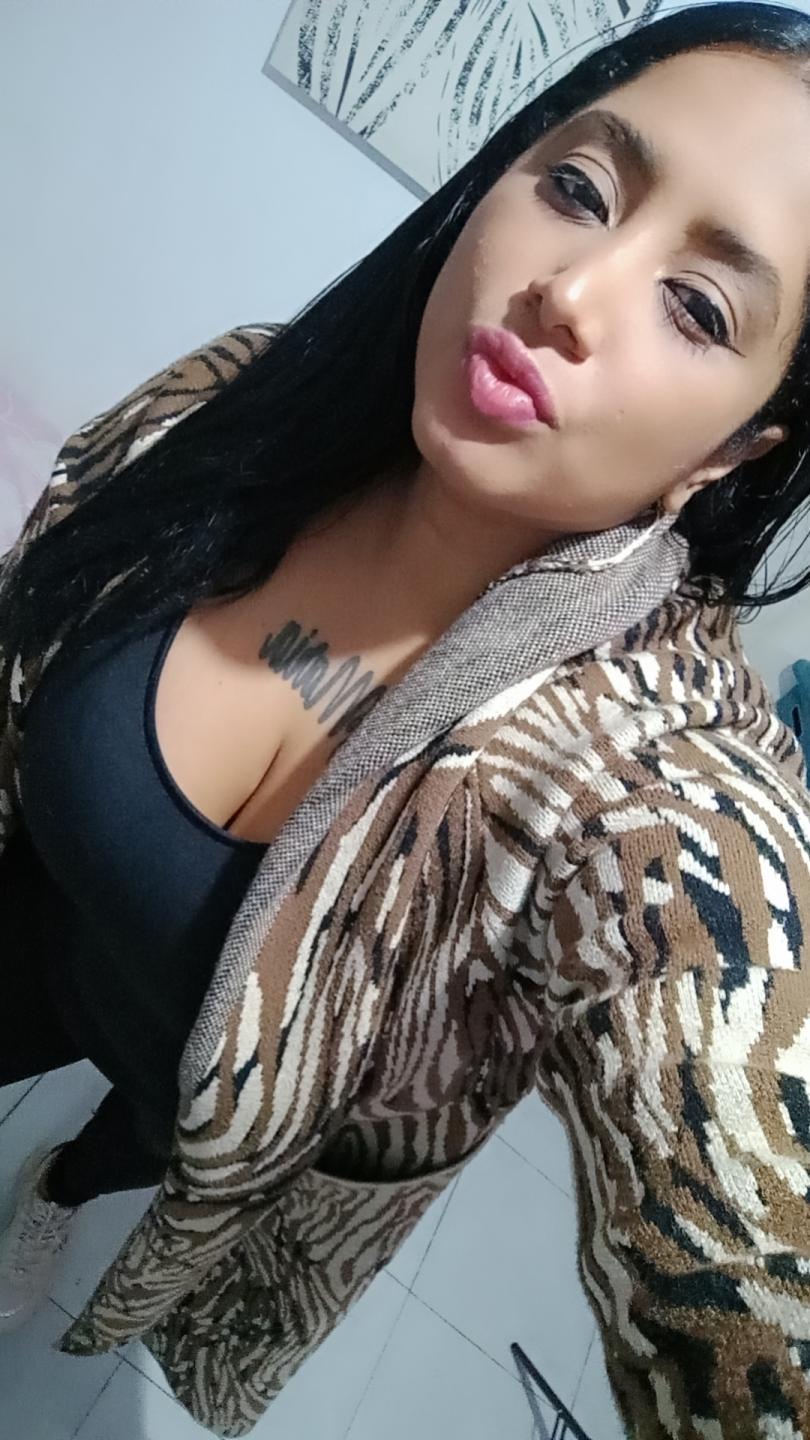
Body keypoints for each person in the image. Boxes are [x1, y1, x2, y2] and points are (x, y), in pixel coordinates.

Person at [2, 3, 810, 1434]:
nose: (572, 289)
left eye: (697, 307)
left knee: (139, 1139)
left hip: (189, 1094)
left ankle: (64, 1181)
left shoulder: (648, 782)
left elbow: (746, 1225)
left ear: (732, 451)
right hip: (29, 915)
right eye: (579, 188)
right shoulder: (233, 402)